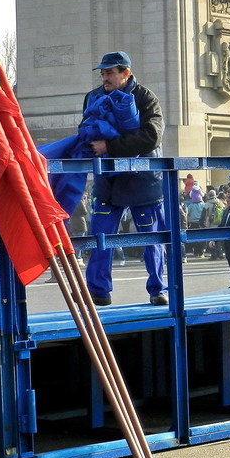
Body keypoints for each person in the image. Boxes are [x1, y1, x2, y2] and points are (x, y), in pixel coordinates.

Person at [82, 51, 168, 306]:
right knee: (100, 237)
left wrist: (110, 146)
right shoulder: (93, 97)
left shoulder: (146, 97)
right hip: (108, 181)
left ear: (126, 73)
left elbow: (152, 137)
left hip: (143, 181)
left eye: (110, 73)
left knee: (151, 239)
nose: (104, 78)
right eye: (103, 73)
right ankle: (98, 291)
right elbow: (86, 129)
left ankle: (158, 289)